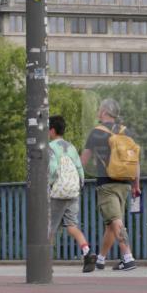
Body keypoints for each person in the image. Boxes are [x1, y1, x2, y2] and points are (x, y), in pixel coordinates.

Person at [81, 98, 141, 271]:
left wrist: (73, 177)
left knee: (115, 221)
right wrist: (136, 184)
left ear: (104, 112)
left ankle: (128, 258)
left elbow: (83, 161)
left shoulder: (96, 132)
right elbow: (135, 160)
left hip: (107, 185)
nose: (98, 112)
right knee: (111, 223)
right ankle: (101, 259)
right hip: (125, 184)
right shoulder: (126, 131)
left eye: (100, 109)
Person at [47, 115, 94, 271]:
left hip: (58, 193)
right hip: (73, 192)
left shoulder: (51, 147)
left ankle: (46, 263)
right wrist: (80, 184)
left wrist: (50, 183)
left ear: (52, 130)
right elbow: (79, 168)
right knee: (72, 226)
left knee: (50, 228)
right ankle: (87, 252)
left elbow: (53, 169)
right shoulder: (71, 147)